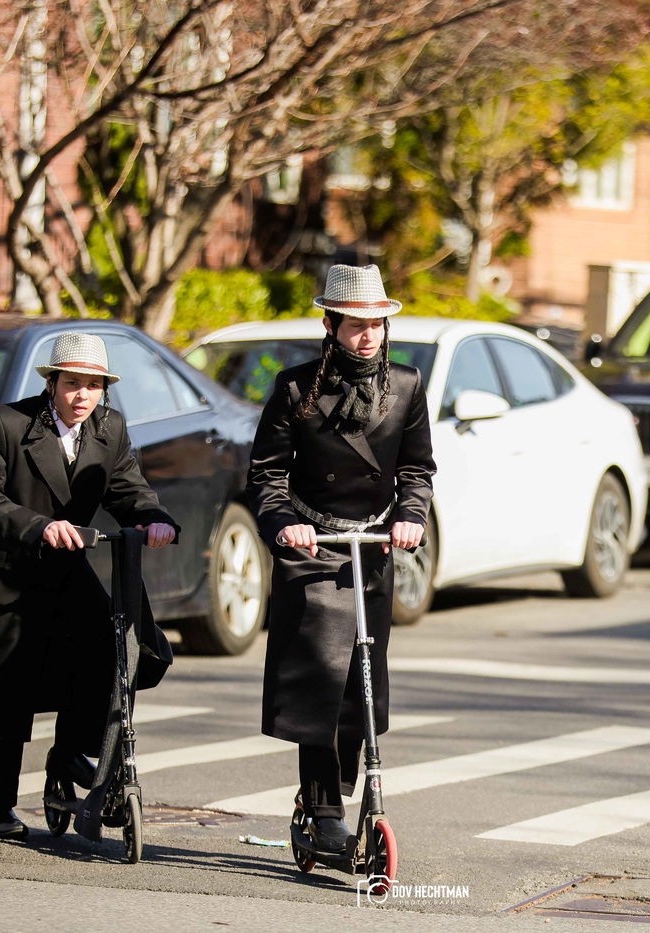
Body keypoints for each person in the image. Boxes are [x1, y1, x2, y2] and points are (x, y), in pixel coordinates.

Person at [0, 332, 178, 840]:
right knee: (5, 689)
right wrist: (39, 526)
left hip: (65, 569)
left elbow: (128, 488)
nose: (82, 396)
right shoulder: (5, 423)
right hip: (3, 573)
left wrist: (154, 518)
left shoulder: (110, 427)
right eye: (72, 384)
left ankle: (69, 754)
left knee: (112, 651)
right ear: (52, 384)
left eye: (93, 385)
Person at [247, 264, 436, 854]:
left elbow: (417, 470)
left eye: (377, 324)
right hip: (312, 549)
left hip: (370, 549)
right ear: (330, 325)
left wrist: (411, 516)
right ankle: (324, 809)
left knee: (361, 683)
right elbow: (266, 476)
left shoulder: (407, 384)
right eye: (357, 325)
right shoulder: (295, 388)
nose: (368, 335)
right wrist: (285, 524)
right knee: (320, 682)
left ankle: (339, 796)